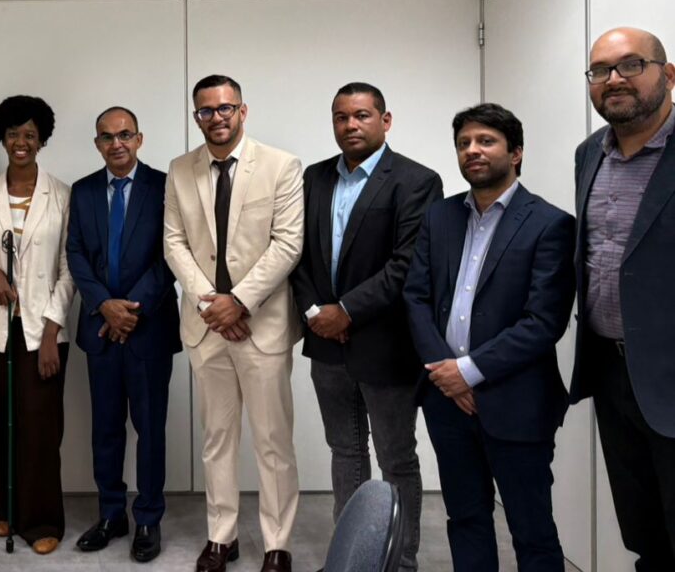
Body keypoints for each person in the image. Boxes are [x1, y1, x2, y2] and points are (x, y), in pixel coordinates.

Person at [404, 103, 574, 572]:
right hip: (447, 402)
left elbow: (543, 322)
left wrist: (468, 373)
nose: (472, 151)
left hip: (516, 402)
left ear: (516, 153)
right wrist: (447, 376)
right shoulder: (439, 217)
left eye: (486, 142)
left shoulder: (549, 224)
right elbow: (415, 297)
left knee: (532, 530)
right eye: (464, 144)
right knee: (465, 519)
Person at [289, 82, 441, 571]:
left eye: (361, 116)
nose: (350, 125)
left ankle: (400, 562)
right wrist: (317, 313)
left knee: (396, 459)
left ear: (385, 120)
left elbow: (407, 264)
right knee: (345, 452)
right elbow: (298, 257)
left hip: (386, 346)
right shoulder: (313, 179)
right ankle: (352, 559)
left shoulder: (416, 181)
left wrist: (347, 311)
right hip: (327, 346)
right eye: (340, 117)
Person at [164, 75, 304, 572]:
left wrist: (238, 302)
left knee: (272, 440)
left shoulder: (281, 166)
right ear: (195, 115)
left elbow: (287, 244)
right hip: (207, 328)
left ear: (243, 111)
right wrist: (212, 306)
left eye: (226, 108)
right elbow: (174, 243)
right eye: (206, 110)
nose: (217, 117)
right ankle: (221, 536)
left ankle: (277, 543)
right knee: (218, 437)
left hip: (261, 326)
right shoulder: (180, 170)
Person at [571, 26, 675, 569]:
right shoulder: (589, 154)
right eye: (600, 70)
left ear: (668, 75)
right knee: (645, 537)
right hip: (613, 378)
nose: (613, 79)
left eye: (630, 65)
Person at [0, 95, 74, 556]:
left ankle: (42, 518)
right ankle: (6, 510)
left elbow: (69, 271)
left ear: (42, 140)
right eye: (12, 134)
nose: (20, 142)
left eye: (30, 134)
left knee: (41, 427)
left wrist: (51, 331)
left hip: (42, 330)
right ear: (2, 138)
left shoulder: (63, 195)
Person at [66, 106, 179, 563]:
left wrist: (131, 308)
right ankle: (112, 514)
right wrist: (104, 306)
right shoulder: (84, 191)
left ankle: (148, 517)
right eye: (107, 137)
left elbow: (172, 253)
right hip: (100, 327)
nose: (116, 143)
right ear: (97, 143)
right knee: (106, 429)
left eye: (125, 135)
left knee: (149, 429)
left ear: (139, 139)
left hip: (147, 327)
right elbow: (74, 252)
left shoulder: (164, 188)